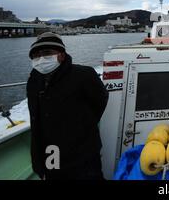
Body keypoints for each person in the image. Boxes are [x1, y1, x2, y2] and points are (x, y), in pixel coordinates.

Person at [26, 32, 109, 180]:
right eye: (36, 55)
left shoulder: (84, 75)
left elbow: (100, 100)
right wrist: (38, 161)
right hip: (51, 152)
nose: (41, 59)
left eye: (47, 53)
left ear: (62, 55)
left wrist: (84, 125)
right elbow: (36, 119)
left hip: (83, 152)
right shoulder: (33, 81)